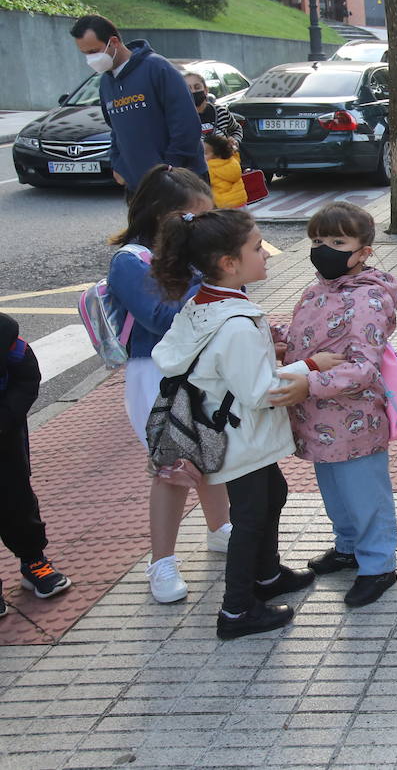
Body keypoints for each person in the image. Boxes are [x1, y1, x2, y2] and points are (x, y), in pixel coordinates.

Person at [151, 209, 320, 639]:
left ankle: (267, 577)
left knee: (272, 496)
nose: (265, 253)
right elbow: (261, 392)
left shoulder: (204, 303)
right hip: (241, 437)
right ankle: (237, 610)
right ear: (229, 263)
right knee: (251, 518)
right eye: (256, 247)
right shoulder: (237, 326)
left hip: (234, 433)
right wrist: (310, 368)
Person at [106, 166, 231, 603]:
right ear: (163, 215)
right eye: (193, 218)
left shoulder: (185, 259)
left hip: (198, 369)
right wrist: (208, 277)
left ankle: (222, 531)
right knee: (173, 469)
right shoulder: (130, 261)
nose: (200, 227)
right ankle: (161, 563)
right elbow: (160, 318)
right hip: (156, 375)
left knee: (212, 456)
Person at [276, 202, 397, 608]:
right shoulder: (316, 290)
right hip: (318, 419)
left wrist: (309, 383)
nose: (324, 249)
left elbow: (363, 367)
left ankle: (378, 564)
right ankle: (347, 546)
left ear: (364, 250)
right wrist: (274, 337)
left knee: (365, 494)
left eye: (337, 241)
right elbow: (307, 335)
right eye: (317, 240)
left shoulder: (368, 298)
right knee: (334, 490)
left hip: (354, 420)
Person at [69, 14, 204, 191]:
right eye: (85, 54)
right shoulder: (106, 83)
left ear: (114, 42)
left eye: (94, 51)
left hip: (179, 184)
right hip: (138, 187)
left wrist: (168, 170)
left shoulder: (158, 68)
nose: (90, 59)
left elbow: (186, 125)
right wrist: (118, 165)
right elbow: (116, 130)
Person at [0, 313, 72, 612]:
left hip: (4, 436)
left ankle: (33, 560)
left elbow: (26, 374)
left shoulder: (5, 335)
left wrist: (6, 417)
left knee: (16, 500)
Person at [185, 72, 242, 148]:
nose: (193, 91)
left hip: (224, 159)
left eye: (197, 87)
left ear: (206, 90)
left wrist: (235, 141)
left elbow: (236, 129)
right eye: (188, 89)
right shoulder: (180, 119)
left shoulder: (221, 112)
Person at [203, 132, 247, 209]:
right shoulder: (233, 161)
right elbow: (235, 155)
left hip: (223, 207)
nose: (202, 155)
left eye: (205, 153)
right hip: (241, 203)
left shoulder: (210, 168)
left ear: (217, 155)